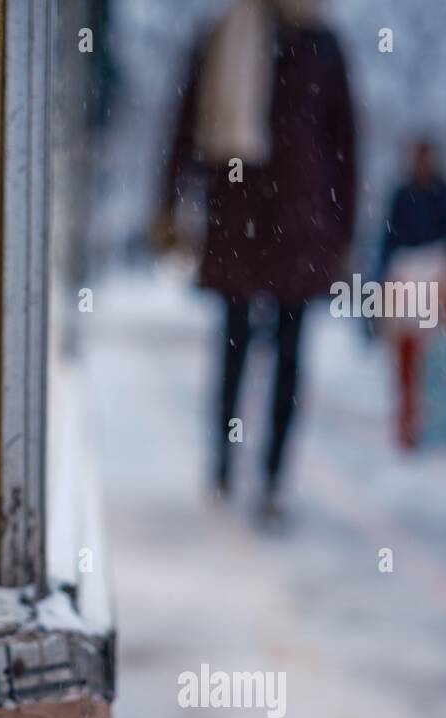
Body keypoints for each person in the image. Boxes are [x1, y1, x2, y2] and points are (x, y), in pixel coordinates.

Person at [155, 0, 356, 521]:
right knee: (234, 344)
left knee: (289, 353)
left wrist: (344, 229)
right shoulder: (224, 32)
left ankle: (272, 476)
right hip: (238, 212)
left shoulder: (324, 43)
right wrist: (168, 203)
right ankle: (223, 461)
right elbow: (184, 122)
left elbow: (344, 141)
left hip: (301, 222)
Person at [378, 140, 446, 448]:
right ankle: (408, 425)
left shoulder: (442, 196)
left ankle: (435, 427)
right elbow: (387, 241)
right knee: (407, 359)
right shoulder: (402, 195)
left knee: (433, 361)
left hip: (435, 281)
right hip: (406, 280)